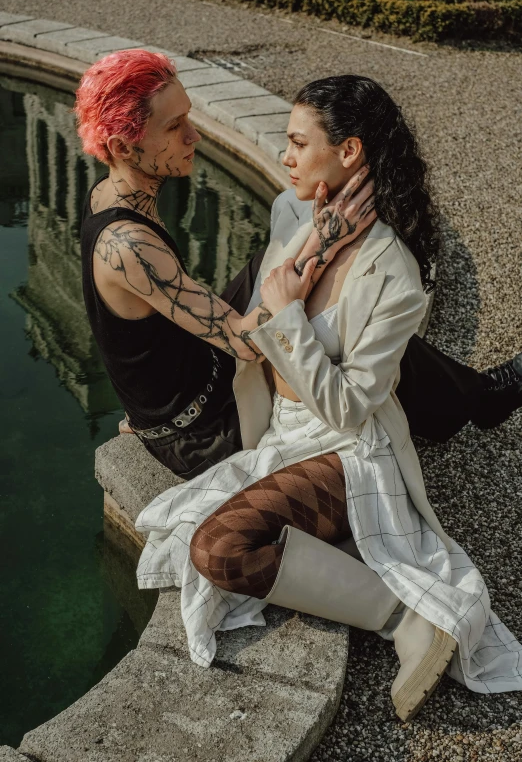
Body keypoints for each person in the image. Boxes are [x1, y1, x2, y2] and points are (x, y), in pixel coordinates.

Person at [135, 75, 522, 721]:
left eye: (296, 142)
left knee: (216, 547)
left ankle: (403, 616)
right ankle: (384, 597)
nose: (284, 157)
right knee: (175, 526)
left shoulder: (396, 275)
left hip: (348, 451)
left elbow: (348, 407)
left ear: (350, 153)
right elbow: (256, 335)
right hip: (286, 435)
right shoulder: (294, 216)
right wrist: (278, 306)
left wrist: (287, 314)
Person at [75, 49, 376, 480]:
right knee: (342, 311)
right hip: (203, 430)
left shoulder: (105, 194)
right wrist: (324, 240)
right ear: (123, 146)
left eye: (187, 118)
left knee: (275, 261)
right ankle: (477, 399)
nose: (194, 136)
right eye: (175, 126)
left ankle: (472, 395)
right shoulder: (128, 245)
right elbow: (247, 344)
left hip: (199, 365)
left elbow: (126, 338)